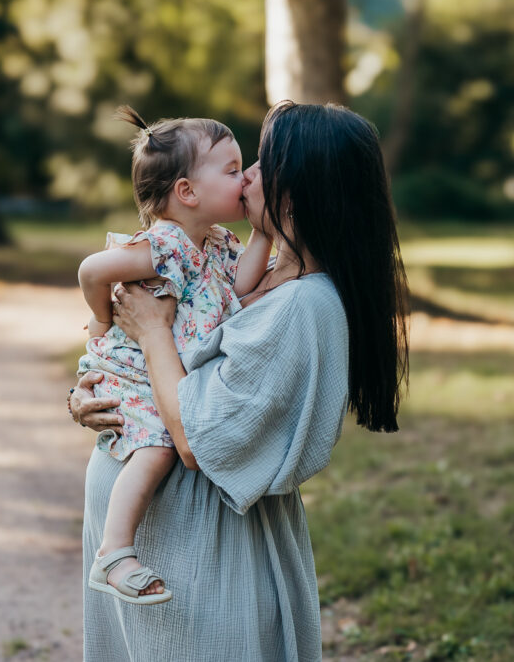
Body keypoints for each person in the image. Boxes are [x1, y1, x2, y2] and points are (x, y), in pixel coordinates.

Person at [69, 101, 409, 661]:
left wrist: (152, 331)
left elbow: (196, 438)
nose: (247, 175)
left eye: (260, 164)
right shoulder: (253, 272)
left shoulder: (304, 306)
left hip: (200, 545)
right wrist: (90, 391)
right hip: (155, 526)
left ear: (296, 193)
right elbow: (166, 352)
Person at [77, 106, 271, 605]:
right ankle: (113, 553)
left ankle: (115, 551)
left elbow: (240, 286)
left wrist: (264, 232)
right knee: (159, 448)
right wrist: (100, 320)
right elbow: (92, 270)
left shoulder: (216, 241)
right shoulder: (166, 245)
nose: (245, 178)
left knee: (162, 443)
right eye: (232, 170)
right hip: (133, 372)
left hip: (161, 369)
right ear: (187, 192)